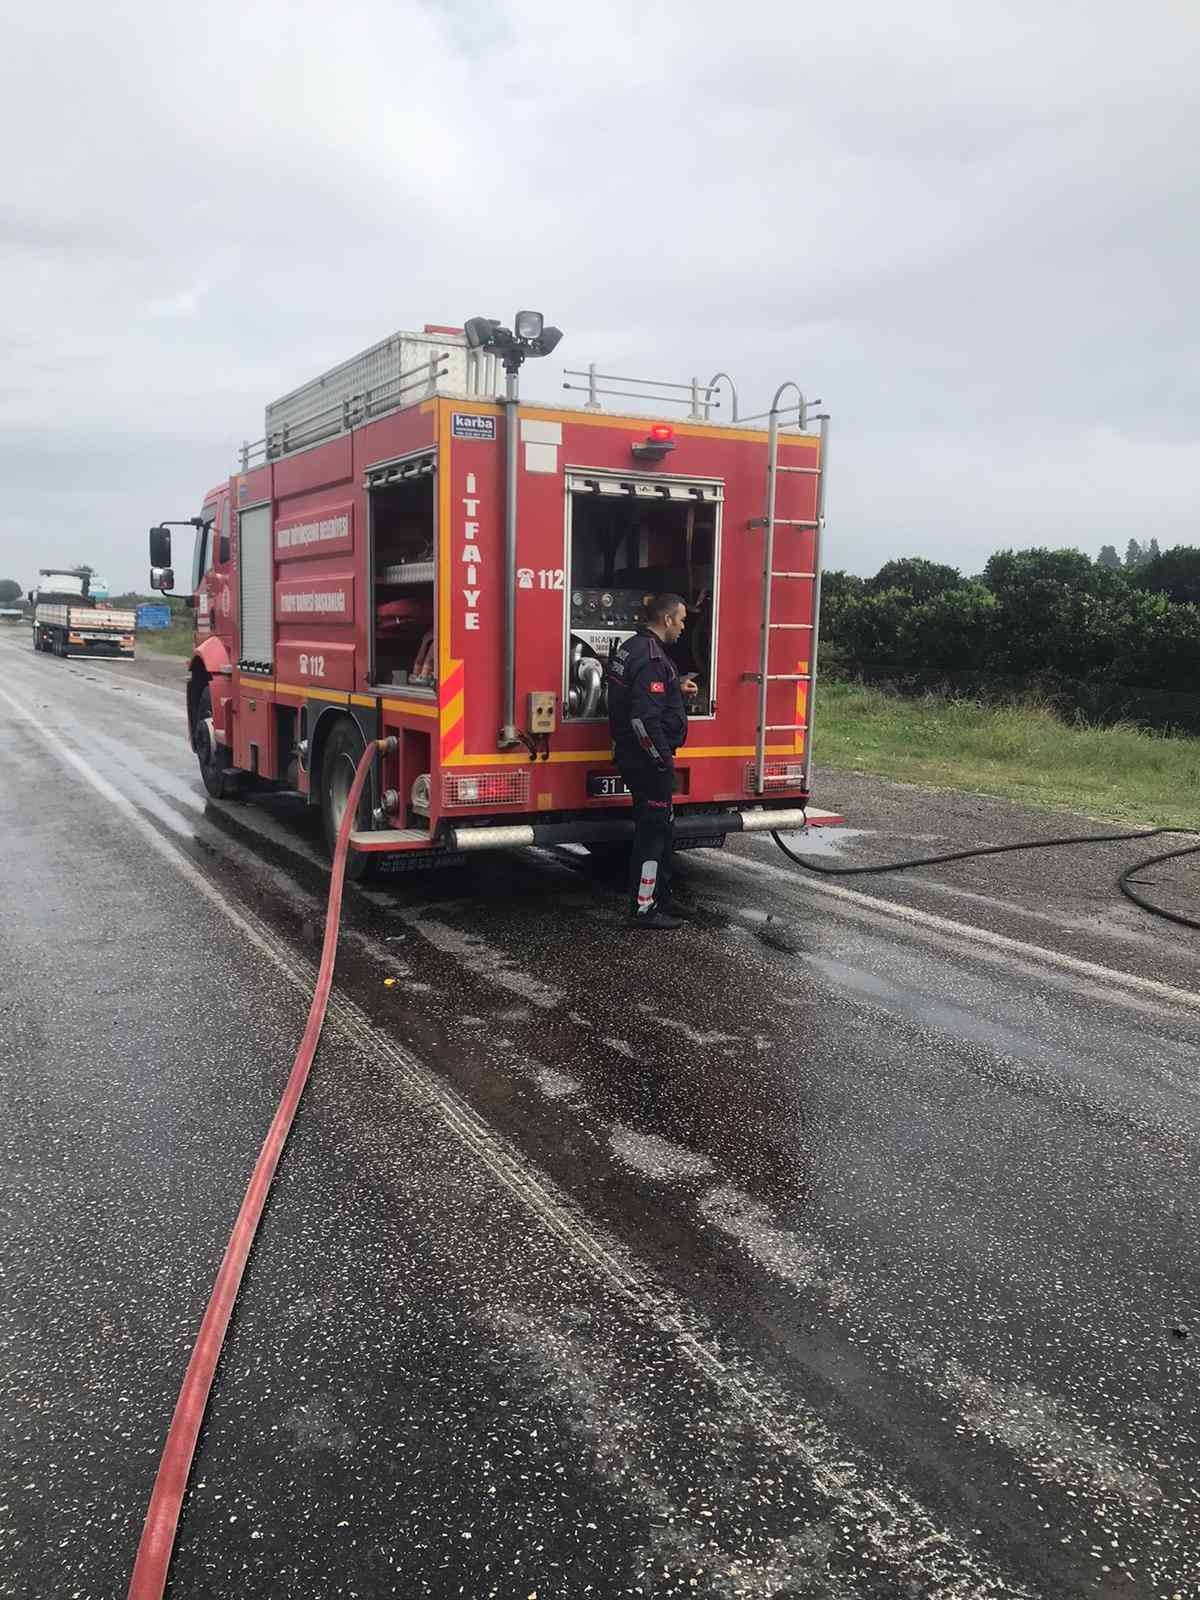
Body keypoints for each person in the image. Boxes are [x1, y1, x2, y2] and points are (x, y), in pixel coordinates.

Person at [606, 594, 698, 929]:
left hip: (635, 756)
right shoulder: (652, 658)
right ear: (667, 619)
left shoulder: (632, 647)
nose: (683, 627)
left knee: (663, 827)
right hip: (647, 761)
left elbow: (639, 692)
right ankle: (644, 908)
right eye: (682, 620)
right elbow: (643, 720)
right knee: (653, 833)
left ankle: (662, 898)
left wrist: (675, 688)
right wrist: (662, 762)